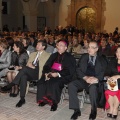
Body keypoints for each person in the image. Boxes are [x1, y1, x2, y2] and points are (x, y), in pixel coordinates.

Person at [1, 40, 50, 107]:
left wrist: (34, 67)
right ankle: (22, 99)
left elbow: (46, 67)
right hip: (30, 72)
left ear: (43, 47)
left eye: (39, 45)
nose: (37, 46)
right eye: (37, 44)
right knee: (23, 76)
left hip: (39, 73)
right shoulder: (33, 54)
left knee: (24, 69)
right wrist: (30, 65)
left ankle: (11, 85)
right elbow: (27, 64)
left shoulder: (47, 55)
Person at [68, 40, 107, 120]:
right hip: (84, 79)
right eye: (88, 47)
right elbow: (78, 69)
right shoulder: (84, 56)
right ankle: (76, 110)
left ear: (96, 49)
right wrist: (86, 78)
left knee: (93, 88)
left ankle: (93, 110)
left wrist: (96, 79)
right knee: (71, 85)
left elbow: (105, 71)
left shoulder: (102, 58)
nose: (89, 49)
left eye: (92, 48)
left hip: (95, 81)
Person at [37, 39, 76, 111]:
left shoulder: (70, 57)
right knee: (41, 81)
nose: (58, 47)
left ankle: (54, 103)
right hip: (51, 74)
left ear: (66, 48)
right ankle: (43, 100)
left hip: (63, 76)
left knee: (55, 83)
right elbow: (46, 66)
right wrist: (46, 73)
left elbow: (69, 70)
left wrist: (58, 74)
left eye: (61, 45)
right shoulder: (53, 55)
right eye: (58, 45)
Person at [104, 46, 120, 119]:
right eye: (117, 52)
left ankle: (115, 108)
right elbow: (107, 71)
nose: (118, 54)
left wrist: (117, 76)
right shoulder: (113, 61)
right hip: (113, 81)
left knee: (118, 85)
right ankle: (112, 107)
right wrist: (108, 77)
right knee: (109, 85)